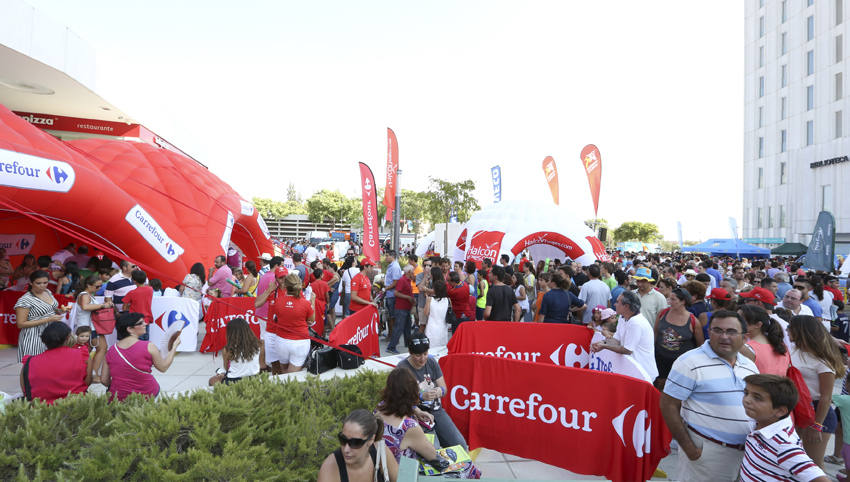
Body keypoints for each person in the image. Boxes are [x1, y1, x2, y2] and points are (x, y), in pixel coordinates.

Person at [660, 310, 759, 481]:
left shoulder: (749, 365)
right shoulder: (689, 362)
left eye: (731, 331)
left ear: (744, 337)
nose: (724, 336)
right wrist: (689, 448)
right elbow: (668, 405)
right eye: (717, 330)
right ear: (709, 332)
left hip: (746, 455)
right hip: (707, 454)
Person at [739, 374, 828, 481]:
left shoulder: (784, 445)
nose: (747, 400)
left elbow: (820, 478)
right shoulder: (758, 422)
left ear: (780, 411)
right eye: (746, 393)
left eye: (757, 398)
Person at [788, 315, 846, 468]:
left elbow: (826, 398)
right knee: (797, 462)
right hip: (798, 408)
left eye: (790, 328)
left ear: (801, 331)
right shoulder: (794, 350)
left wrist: (817, 425)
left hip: (818, 413)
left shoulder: (822, 361)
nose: (787, 330)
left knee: (813, 465)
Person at [397, 333, 469, 451]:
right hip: (416, 414)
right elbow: (400, 399)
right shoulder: (402, 368)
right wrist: (420, 396)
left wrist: (439, 391)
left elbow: (444, 388)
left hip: (436, 410)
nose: (423, 358)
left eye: (425, 353)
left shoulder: (431, 361)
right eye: (418, 355)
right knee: (432, 450)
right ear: (410, 352)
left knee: (461, 446)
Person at [101, 312, 181, 400]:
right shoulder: (149, 346)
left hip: (119, 397)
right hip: (147, 394)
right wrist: (174, 348)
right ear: (130, 329)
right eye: (141, 323)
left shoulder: (111, 350)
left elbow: (104, 380)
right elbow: (163, 367)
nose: (145, 324)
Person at [592, 290, 659, 381]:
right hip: (632, 371)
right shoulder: (622, 318)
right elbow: (616, 339)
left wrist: (604, 346)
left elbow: (627, 350)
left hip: (643, 373)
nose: (614, 304)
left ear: (626, 306)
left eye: (617, 302)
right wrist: (602, 342)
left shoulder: (636, 322)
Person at [256, 271, 314, 374]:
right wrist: (269, 290)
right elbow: (257, 304)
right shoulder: (273, 292)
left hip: (286, 336)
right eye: (280, 278)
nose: (282, 280)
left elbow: (303, 312)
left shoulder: (296, 292)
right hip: (276, 334)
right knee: (277, 367)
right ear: (276, 279)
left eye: (284, 277)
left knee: (287, 371)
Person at [318, 409, 399, 482]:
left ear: (371, 440)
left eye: (355, 442)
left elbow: (406, 478)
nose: (346, 449)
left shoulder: (381, 452)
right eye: (343, 439)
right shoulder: (330, 468)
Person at [19, 322, 91, 404]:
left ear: (44, 341)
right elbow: (87, 382)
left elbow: (26, 391)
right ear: (68, 338)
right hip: (75, 407)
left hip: (41, 411)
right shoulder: (82, 355)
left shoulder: (29, 362)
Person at [14, 270, 71, 362]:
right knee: (30, 366)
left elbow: (52, 309)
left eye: (45, 282)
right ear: (31, 283)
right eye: (38, 283)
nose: (42, 286)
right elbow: (20, 324)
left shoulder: (48, 292)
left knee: (49, 365)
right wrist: (48, 319)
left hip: (51, 334)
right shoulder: (25, 300)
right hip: (33, 336)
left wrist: (61, 310)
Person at [653, 287, 704, 390]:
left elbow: (700, 345)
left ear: (683, 301)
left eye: (673, 299)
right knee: (660, 386)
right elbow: (655, 333)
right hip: (660, 360)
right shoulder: (663, 313)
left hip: (681, 364)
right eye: (669, 298)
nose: (669, 302)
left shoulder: (693, 321)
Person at [75, 274, 114, 383]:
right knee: (100, 349)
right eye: (97, 287)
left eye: (101, 286)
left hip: (89, 327)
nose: (99, 289)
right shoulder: (85, 295)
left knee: (88, 351)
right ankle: (93, 374)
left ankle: (87, 373)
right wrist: (103, 306)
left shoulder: (87, 295)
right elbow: (85, 307)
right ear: (88, 285)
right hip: (88, 327)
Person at [208, 317, 263, 385]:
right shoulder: (258, 345)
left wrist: (222, 374)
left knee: (212, 381)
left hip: (234, 381)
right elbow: (259, 365)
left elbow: (226, 368)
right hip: (254, 378)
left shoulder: (227, 349)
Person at [739, 304, 790, 376]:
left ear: (758, 325)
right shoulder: (781, 345)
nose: (734, 322)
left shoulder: (747, 348)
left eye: (740, 320)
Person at [386, 266, 415, 354]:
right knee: (398, 328)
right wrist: (408, 297)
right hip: (401, 308)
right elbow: (396, 293)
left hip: (406, 308)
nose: (413, 273)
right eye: (412, 271)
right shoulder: (402, 280)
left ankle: (408, 344)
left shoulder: (407, 280)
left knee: (407, 327)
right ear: (409, 272)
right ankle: (391, 347)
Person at [122, 269, 154, 340]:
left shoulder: (131, 293)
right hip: (146, 320)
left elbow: (124, 308)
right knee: (145, 343)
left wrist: (130, 307)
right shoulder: (150, 289)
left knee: (136, 343)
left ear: (134, 281)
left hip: (135, 321)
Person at [420, 280, 450, 349]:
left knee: (431, 347)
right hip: (443, 327)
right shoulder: (448, 300)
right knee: (442, 348)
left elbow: (426, 313)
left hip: (432, 327)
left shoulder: (430, 300)